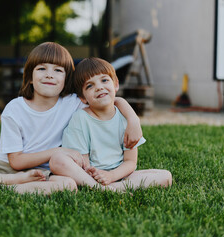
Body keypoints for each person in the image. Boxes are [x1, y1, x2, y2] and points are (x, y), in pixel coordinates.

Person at [0, 43, 142, 194]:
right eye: (42, 69)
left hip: (44, 172)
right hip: (4, 167)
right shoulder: (15, 108)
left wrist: (133, 120)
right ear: (30, 77)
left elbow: (111, 99)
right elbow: (16, 161)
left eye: (58, 70)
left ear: (66, 80)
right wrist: (56, 152)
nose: (50, 75)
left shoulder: (72, 102)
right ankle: (8, 182)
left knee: (67, 185)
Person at [50, 57, 172, 192]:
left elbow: (130, 162)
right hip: (88, 174)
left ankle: (116, 188)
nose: (99, 87)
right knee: (57, 160)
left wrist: (111, 176)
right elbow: (83, 163)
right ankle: (100, 188)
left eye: (104, 80)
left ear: (116, 84)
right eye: (90, 86)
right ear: (83, 97)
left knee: (165, 176)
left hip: (120, 174)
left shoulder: (126, 118)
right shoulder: (81, 118)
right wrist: (97, 175)